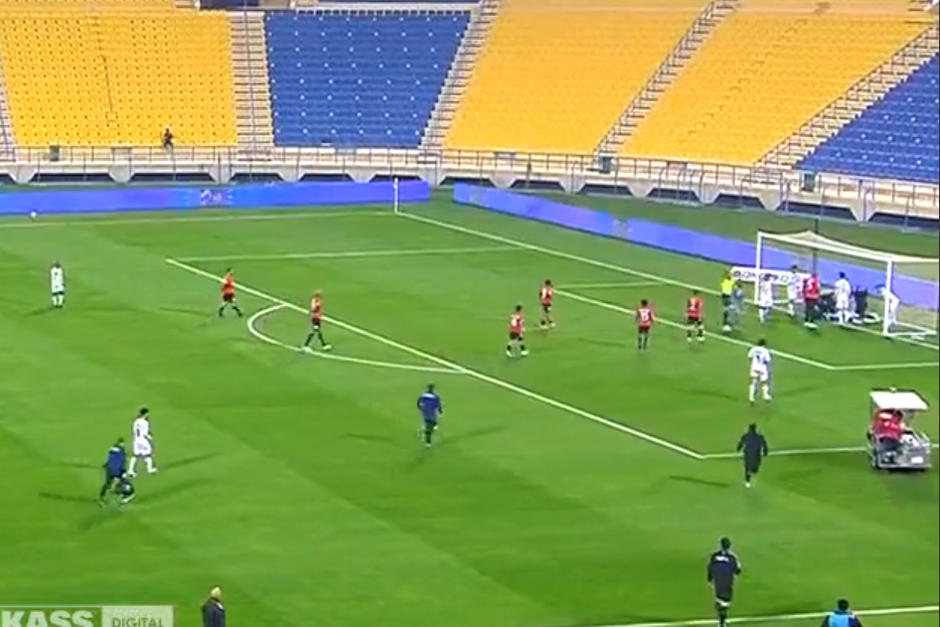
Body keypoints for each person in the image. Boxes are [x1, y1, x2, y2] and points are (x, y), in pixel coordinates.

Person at [706, 537, 741, 627]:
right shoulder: (732, 558)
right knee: (725, 603)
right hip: (727, 582)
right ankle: (722, 622)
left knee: (721, 600)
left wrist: (709, 580)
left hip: (717, 582)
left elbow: (709, 568)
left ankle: (721, 618)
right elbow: (737, 571)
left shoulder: (714, 556)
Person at [736, 423, 768, 487]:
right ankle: (748, 479)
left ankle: (747, 480)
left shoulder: (746, 436)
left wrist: (738, 448)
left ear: (749, 429)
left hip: (748, 454)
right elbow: (764, 444)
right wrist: (765, 451)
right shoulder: (759, 437)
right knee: (754, 467)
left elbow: (741, 443)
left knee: (747, 467)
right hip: (756, 454)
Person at [128, 408, 157, 477]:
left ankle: (130, 470)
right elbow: (145, 434)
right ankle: (150, 469)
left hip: (136, 440)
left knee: (135, 455)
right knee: (148, 455)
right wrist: (150, 439)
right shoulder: (145, 422)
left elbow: (134, 431)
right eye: (147, 413)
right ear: (145, 414)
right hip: (143, 440)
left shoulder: (136, 421)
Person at [98, 438, 127, 505]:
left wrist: (106, 464)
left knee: (107, 483)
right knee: (118, 482)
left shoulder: (111, 449)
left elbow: (110, 458)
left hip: (109, 469)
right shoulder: (122, 451)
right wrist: (123, 471)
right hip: (116, 470)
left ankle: (101, 497)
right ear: (121, 443)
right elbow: (122, 461)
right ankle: (117, 496)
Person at [747, 339, 772, 405]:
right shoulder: (765, 351)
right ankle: (766, 396)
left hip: (754, 367)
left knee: (753, 382)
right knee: (764, 382)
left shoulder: (753, 349)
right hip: (762, 368)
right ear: (764, 344)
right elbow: (767, 360)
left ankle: (751, 398)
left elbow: (749, 357)